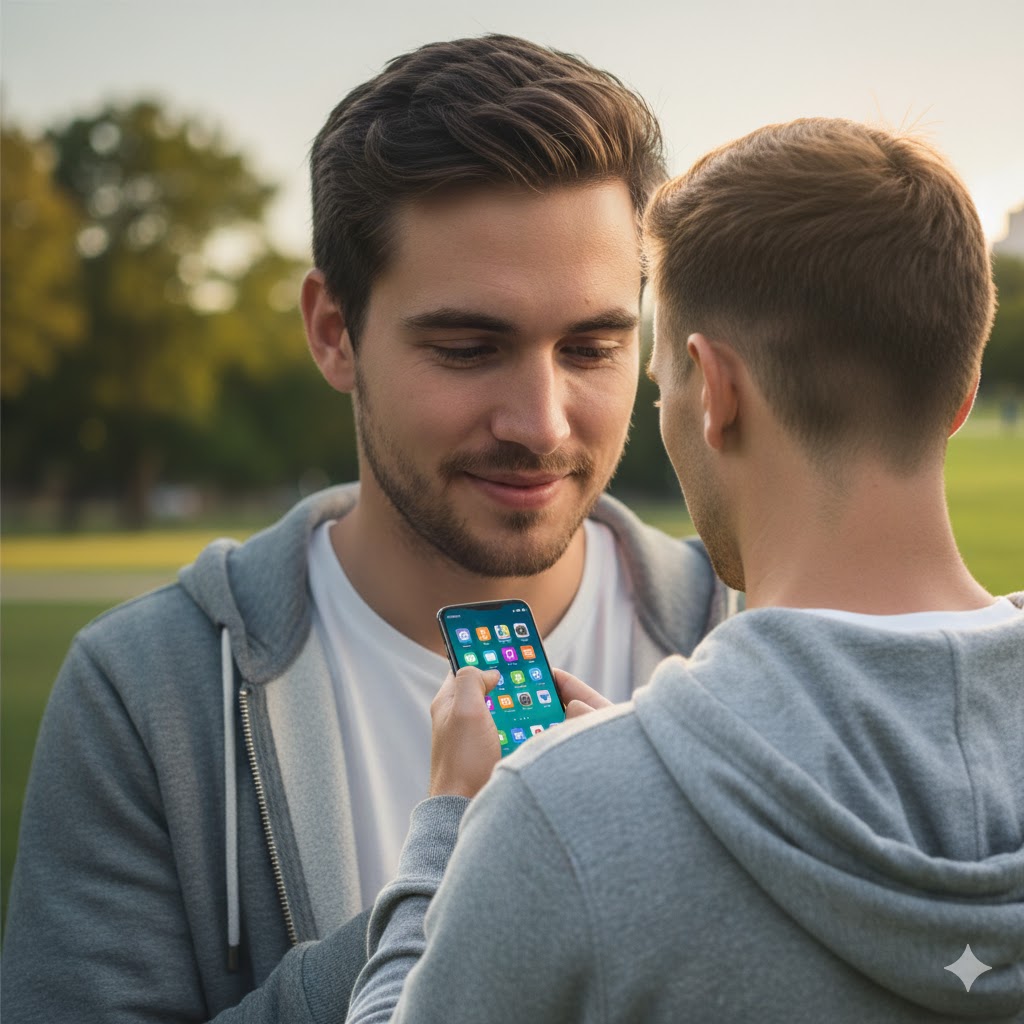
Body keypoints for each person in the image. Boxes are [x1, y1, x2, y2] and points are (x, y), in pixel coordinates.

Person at [1, 35, 736, 1024]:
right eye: (469, 347)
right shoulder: (150, 692)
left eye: (592, 345)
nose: (541, 421)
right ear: (331, 331)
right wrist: (459, 884)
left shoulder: (753, 641)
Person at [345, 118, 1024, 1022]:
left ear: (715, 390)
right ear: (960, 391)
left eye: (661, 383)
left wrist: (453, 832)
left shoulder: (553, 819)